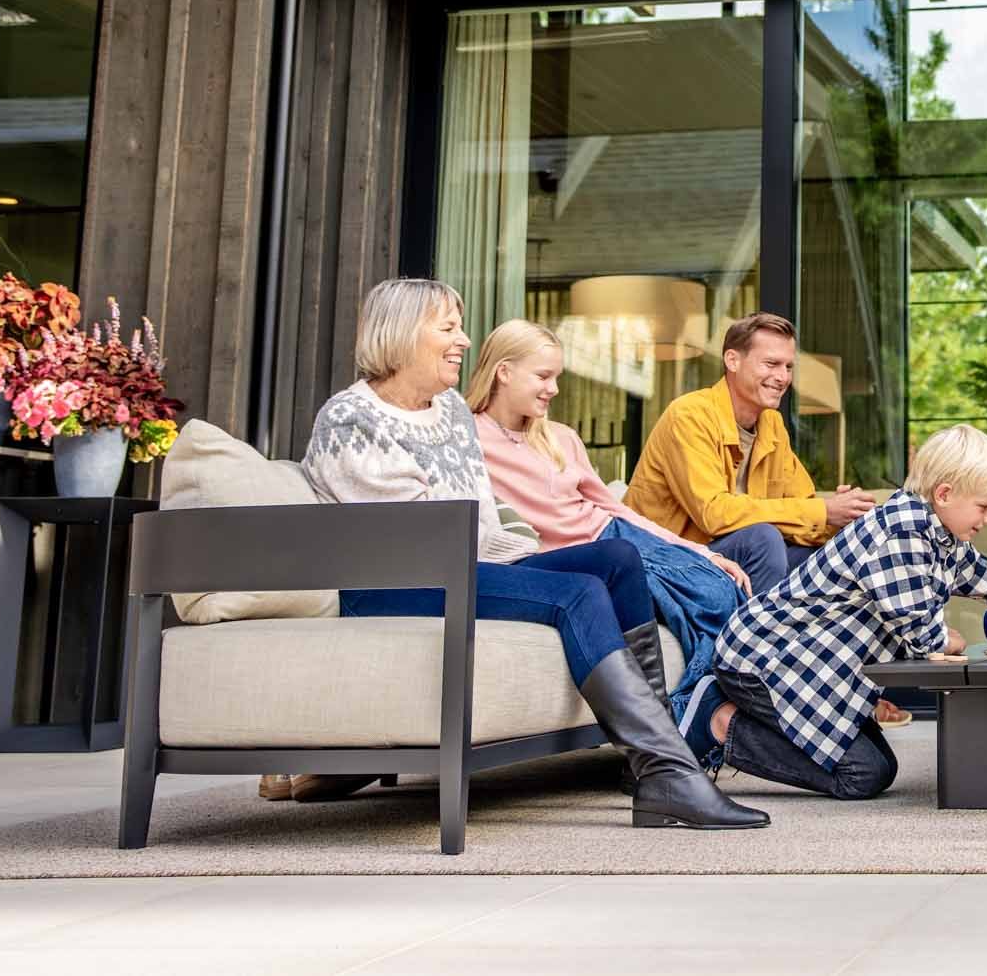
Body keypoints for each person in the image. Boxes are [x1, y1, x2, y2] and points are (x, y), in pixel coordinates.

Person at [298, 278, 767, 831]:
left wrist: (528, 559)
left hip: (461, 566)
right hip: (394, 583)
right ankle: (670, 770)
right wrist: (531, 574)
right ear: (401, 335)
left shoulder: (447, 410)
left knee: (614, 560)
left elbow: (482, 525)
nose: (464, 341)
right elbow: (419, 539)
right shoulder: (352, 419)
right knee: (576, 594)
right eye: (448, 328)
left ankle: (656, 765)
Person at [705, 423, 987, 801]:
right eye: (985, 506)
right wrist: (948, 638)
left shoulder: (944, 540)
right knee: (863, 776)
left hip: (812, 668)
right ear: (944, 493)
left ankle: (745, 720)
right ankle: (719, 724)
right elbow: (923, 637)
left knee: (878, 766)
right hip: (764, 662)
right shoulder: (900, 533)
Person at [469, 319, 750, 724]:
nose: (554, 389)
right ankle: (687, 718)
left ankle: (702, 712)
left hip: (618, 535)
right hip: (584, 558)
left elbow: (617, 510)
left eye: (557, 377)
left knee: (722, 592)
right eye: (543, 376)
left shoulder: (560, 437)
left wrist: (699, 551)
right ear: (503, 372)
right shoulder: (468, 439)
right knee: (712, 602)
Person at [623, 311, 873, 599]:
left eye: (789, 367)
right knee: (762, 538)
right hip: (665, 561)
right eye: (771, 364)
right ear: (732, 360)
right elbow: (714, 514)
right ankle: (756, 641)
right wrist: (823, 511)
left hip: (729, 556)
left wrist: (839, 520)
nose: (783, 377)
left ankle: (811, 643)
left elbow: (801, 507)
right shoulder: (690, 415)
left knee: (824, 558)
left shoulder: (772, 425)